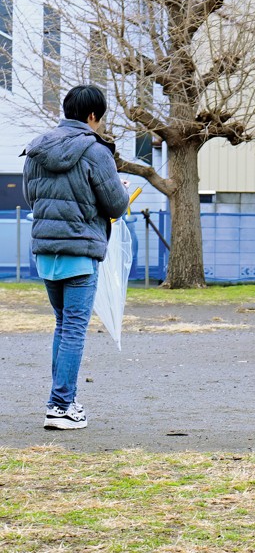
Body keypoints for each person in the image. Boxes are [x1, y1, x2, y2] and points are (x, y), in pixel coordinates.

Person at [23, 84, 130, 430]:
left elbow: (30, 197)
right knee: (73, 329)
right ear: (93, 115)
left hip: (46, 251)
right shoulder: (96, 151)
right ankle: (60, 405)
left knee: (62, 324)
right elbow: (115, 205)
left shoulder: (37, 147)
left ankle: (62, 402)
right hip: (81, 251)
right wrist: (122, 191)